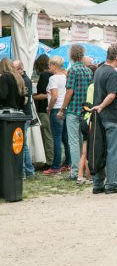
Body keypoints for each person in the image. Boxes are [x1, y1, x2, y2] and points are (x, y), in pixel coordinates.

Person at [91, 44, 117, 194]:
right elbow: (111, 95)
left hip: (99, 117)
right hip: (112, 116)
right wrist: (102, 106)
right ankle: (111, 183)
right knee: (113, 151)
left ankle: (98, 183)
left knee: (99, 149)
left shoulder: (98, 70)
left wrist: (99, 107)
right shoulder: (112, 73)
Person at [58, 45, 93, 181]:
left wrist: (62, 109)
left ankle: (75, 171)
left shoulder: (72, 70)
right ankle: (84, 169)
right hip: (85, 110)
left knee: (73, 141)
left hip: (73, 109)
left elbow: (69, 91)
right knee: (83, 142)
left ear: (71, 55)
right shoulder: (88, 71)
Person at [43, 56, 71, 175]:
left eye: (50, 65)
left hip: (56, 109)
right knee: (66, 138)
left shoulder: (53, 78)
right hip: (65, 108)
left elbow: (54, 96)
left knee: (56, 139)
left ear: (54, 65)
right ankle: (68, 163)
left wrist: (49, 108)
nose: (49, 67)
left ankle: (55, 166)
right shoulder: (66, 76)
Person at [13, 60, 35, 178]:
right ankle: (29, 171)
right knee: (23, 144)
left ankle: (26, 171)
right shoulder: (23, 79)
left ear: (21, 69)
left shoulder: (25, 80)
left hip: (24, 115)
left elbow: (25, 99)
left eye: (15, 69)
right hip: (24, 115)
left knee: (21, 144)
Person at [33, 54, 54, 168]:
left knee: (47, 135)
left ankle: (49, 161)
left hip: (44, 109)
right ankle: (52, 159)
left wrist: (33, 97)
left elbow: (46, 95)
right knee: (51, 135)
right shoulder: (53, 75)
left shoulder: (44, 76)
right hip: (52, 108)